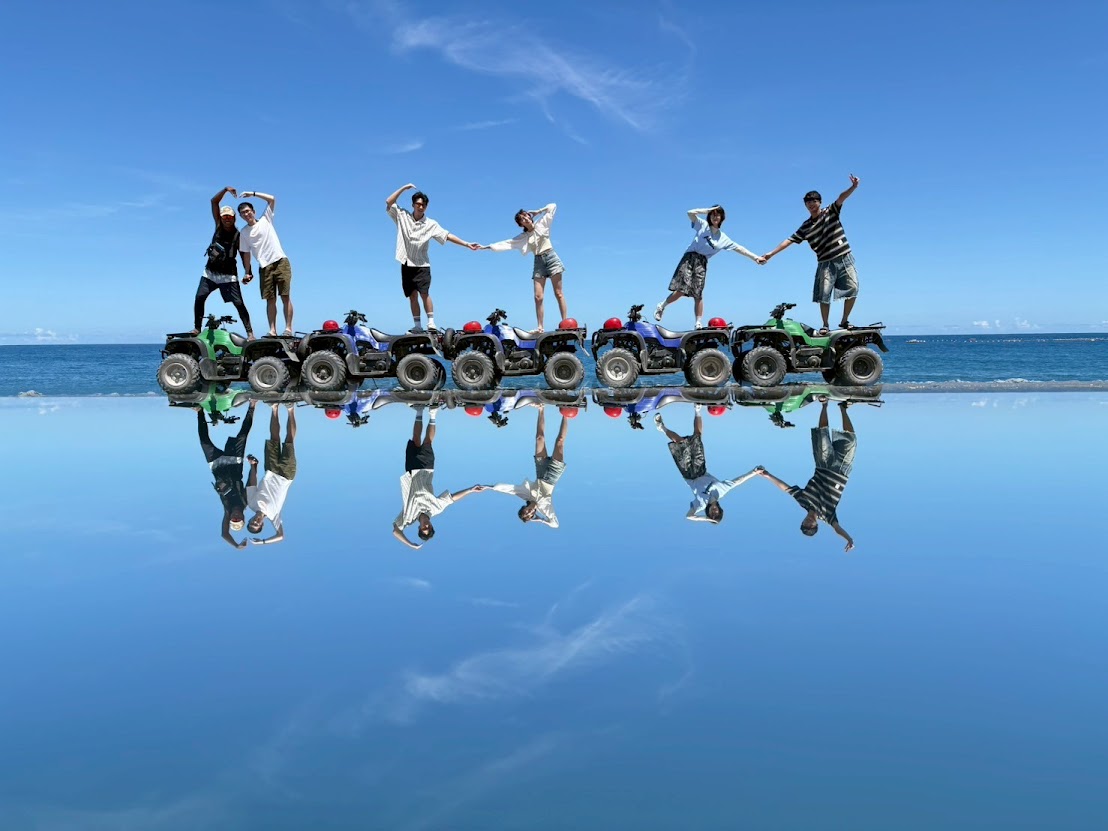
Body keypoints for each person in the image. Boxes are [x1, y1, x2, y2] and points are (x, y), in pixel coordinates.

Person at [761, 174, 862, 335]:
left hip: (844, 257)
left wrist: (853, 187)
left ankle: (844, 320)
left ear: (820, 202)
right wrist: (771, 254)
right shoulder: (806, 226)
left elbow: (841, 198)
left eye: (814, 201)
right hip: (825, 262)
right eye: (808, 202)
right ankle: (825, 324)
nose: (811, 204)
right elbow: (790, 240)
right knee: (824, 294)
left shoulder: (830, 211)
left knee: (853, 288)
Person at [754, 398, 857, 551]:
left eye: (805, 524)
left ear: (802, 521)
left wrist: (769, 476)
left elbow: (786, 489)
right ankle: (843, 408)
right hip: (841, 470)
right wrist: (848, 539)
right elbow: (837, 528)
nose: (808, 522)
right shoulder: (828, 516)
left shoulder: (803, 501)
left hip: (822, 466)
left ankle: (824, 405)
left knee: (822, 435)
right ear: (816, 525)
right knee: (850, 440)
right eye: (810, 525)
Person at [385, 183, 479, 332]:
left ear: (426, 207)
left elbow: (447, 235)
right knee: (412, 296)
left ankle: (431, 323)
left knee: (424, 294)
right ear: (413, 205)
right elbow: (389, 202)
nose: (420, 207)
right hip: (406, 262)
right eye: (418, 204)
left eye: (423, 205)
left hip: (422, 264)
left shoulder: (431, 224)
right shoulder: (402, 216)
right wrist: (404, 188)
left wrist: (466, 244)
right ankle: (417, 326)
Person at [393, 405, 488, 548]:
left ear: (419, 528)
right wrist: (470, 490)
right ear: (431, 525)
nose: (426, 526)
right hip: (426, 469)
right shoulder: (436, 509)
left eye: (424, 528)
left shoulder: (408, 517)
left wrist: (410, 544)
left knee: (415, 439)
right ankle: (432, 414)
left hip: (410, 472)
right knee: (427, 442)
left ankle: (419, 411)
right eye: (429, 527)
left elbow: (395, 531)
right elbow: (452, 499)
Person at [655, 205, 765, 329]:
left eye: (718, 215)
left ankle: (698, 322)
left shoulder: (723, 238)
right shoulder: (703, 225)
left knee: (698, 293)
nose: (715, 217)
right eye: (713, 214)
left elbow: (740, 248)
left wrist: (756, 258)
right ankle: (661, 306)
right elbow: (690, 213)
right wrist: (706, 211)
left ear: (722, 218)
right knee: (681, 290)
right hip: (690, 257)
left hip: (702, 262)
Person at [654, 406, 759, 522]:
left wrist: (708, 519)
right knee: (697, 436)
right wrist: (754, 473)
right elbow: (737, 482)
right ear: (720, 510)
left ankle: (662, 427)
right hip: (701, 469)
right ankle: (697, 409)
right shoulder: (722, 491)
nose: (714, 511)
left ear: (708, 512)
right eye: (716, 513)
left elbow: (689, 516)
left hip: (689, 474)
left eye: (711, 514)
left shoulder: (701, 504)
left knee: (680, 442)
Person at [480, 203, 567, 332]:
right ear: (521, 224)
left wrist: (538, 211)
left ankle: (565, 323)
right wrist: (485, 247)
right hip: (538, 262)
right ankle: (540, 327)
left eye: (526, 215)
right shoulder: (524, 237)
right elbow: (507, 243)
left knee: (558, 293)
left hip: (551, 257)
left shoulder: (542, 223)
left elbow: (552, 206)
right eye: (522, 219)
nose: (525, 218)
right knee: (538, 297)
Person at [491, 405, 568, 527]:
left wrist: (487, 487)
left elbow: (507, 489)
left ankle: (541, 409)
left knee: (539, 438)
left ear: (524, 508)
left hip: (540, 471)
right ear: (533, 514)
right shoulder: (544, 509)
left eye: (526, 512)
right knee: (560, 441)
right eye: (530, 514)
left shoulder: (525, 495)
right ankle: (566, 412)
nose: (530, 512)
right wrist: (540, 520)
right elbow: (555, 524)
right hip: (552, 476)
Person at [193, 186, 254, 338]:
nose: (227, 219)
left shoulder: (239, 235)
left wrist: (248, 272)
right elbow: (214, 202)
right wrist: (225, 190)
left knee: (239, 303)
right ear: (220, 218)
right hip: (210, 273)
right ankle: (197, 328)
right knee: (199, 297)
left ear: (234, 218)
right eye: (224, 216)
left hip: (228, 275)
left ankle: (250, 333)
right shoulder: (218, 227)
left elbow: (244, 254)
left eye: (229, 217)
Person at [195, 398, 256, 549]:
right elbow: (250, 484)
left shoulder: (227, 510)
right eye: (238, 519)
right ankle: (252, 405)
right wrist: (254, 467)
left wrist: (236, 545)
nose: (235, 516)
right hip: (234, 464)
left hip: (217, 466)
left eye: (233, 519)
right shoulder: (245, 502)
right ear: (243, 517)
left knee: (204, 442)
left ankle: (199, 411)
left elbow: (224, 534)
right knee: (243, 436)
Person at [237, 190, 294, 337]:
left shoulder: (265, 219)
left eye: (248, 211)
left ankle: (288, 328)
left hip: (280, 261)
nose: (246, 214)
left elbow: (272, 199)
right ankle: (272, 330)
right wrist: (247, 272)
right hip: (264, 267)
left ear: (253, 211)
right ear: (241, 216)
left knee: (285, 296)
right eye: (243, 213)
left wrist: (253, 194)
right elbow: (246, 253)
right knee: (270, 299)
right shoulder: (244, 233)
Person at [245, 402, 297, 546]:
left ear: (250, 520)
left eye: (252, 522)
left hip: (270, 470)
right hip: (286, 475)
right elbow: (280, 536)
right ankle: (290, 410)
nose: (255, 522)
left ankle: (274, 408)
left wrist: (253, 466)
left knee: (274, 438)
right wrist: (262, 542)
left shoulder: (251, 504)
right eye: (257, 524)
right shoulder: (274, 516)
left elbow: (252, 483)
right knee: (289, 441)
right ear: (261, 524)